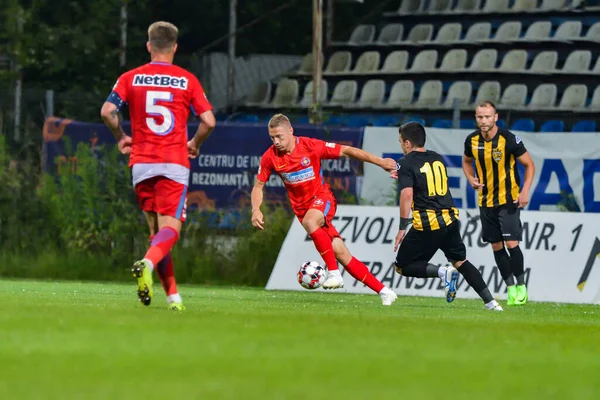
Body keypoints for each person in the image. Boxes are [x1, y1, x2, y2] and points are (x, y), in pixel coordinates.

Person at [100, 21, 216, 310]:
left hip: (141, 163)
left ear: (149, 46)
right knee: (171, 231)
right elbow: (209, 121)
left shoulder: (131, 77)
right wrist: (196, 144)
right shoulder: (187, 80)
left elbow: (107, 111)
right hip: (174, 162)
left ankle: (173, 299)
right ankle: (147, 265)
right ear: (175, 47)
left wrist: (121, 137)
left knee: (156, 235)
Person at [251, 113, 398, 306]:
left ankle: (334, 273)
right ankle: (385, 292)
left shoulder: (310, 146)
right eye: (272, 138)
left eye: (280, 136)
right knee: (341, 253)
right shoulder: (270, 157)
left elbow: (346, 150)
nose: (276, 141)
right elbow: (258, 186)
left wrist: (380, 162)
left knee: (311, 222)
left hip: (322, 199)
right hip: (302, 210)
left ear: (291, 131)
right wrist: (255, 209)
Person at [392, 122, 503, 311]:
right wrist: (404, 175)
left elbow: (407, 194)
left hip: (428, 223)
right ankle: (492, 303)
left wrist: (402, 226)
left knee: (403, 266)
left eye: (401, 142)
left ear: (408, 143)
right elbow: (426, 181)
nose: (401, 146)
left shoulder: (406, 162)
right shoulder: (436, 157)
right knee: (460, 261)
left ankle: (442, 272)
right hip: (450, 219)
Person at [462, 101, 535, 306]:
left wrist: (525, 190)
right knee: (496, 245)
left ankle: (522, 288)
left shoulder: (508, 139)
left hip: (508, 199)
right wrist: (470, 178)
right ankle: (511, 289)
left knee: (512, 244)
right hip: (485, 201)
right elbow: (467, 162)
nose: (483, 121)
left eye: (487, 117)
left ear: (495, 117)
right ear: (476, 118)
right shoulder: (472, 140)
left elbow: (529, 165)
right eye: (479, 117)